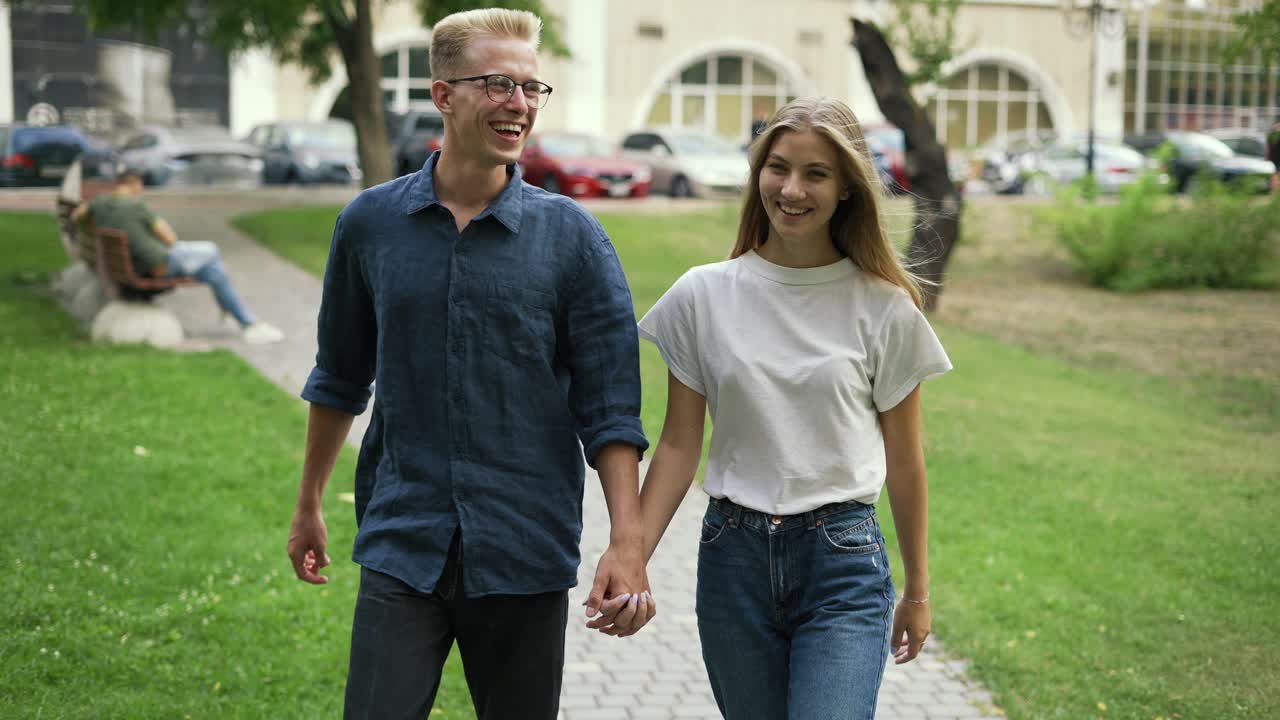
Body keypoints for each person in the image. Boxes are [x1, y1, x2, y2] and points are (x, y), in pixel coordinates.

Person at [285, 9, 655, 720]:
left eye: (530, 88)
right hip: (402, 539)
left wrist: (628, 544)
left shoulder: (574, 239)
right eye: (496, 84)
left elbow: (609, 410)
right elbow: (338, 377)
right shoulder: (368, 225)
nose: (518, 105)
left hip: (525, 548)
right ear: (443, 95)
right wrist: (308, 505)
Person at [629, 96, 951, 718]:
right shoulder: (704, 296)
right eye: (778, 167)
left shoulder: (883, 307)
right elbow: (677, 444)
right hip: (733, 560)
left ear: (848, 190)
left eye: (816, 173)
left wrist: (917, 590)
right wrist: (631, 558)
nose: (792, 188)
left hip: (843, 563)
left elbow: (906, 460)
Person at [72, 163, 284, 344]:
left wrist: (91, 220)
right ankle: (246, 323)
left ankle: (242, 319)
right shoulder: (137, 206)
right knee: (211, 251)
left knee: (214, 271)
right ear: (135, 183)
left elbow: (78, 215)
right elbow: (170, 239)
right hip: (156, 264)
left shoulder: (99, 203)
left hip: (128, 266)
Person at [1267, 117, 1280, 193]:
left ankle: (1273, 189)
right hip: (1276, 157)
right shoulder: (1273, 134)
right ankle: (1274, 189)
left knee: (1275, 172)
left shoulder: (1272, 134)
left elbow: (1267, 147)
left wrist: (1267, 156)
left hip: (1273, 157)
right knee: (1276, 173)